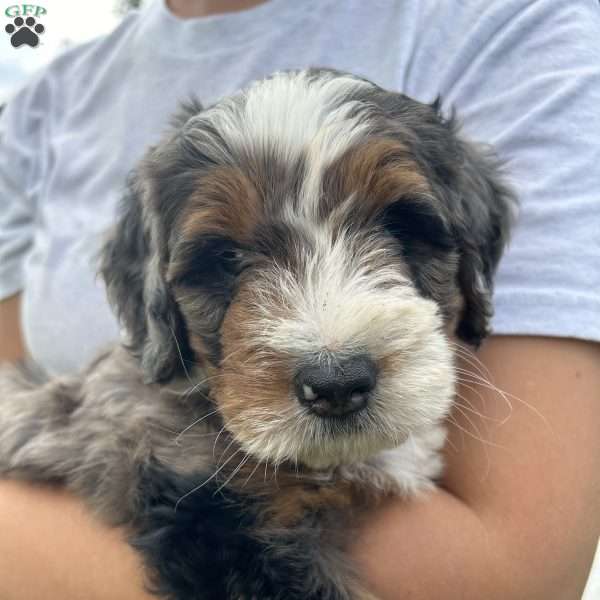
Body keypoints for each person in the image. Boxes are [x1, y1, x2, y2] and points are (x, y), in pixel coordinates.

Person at [1, 0, 599, 598]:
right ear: (154, 299)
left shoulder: (516, 27)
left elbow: (521, 576)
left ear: (476, 254)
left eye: (399, 229)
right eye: (227, 260)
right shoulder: (41, 101)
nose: (327, 343)